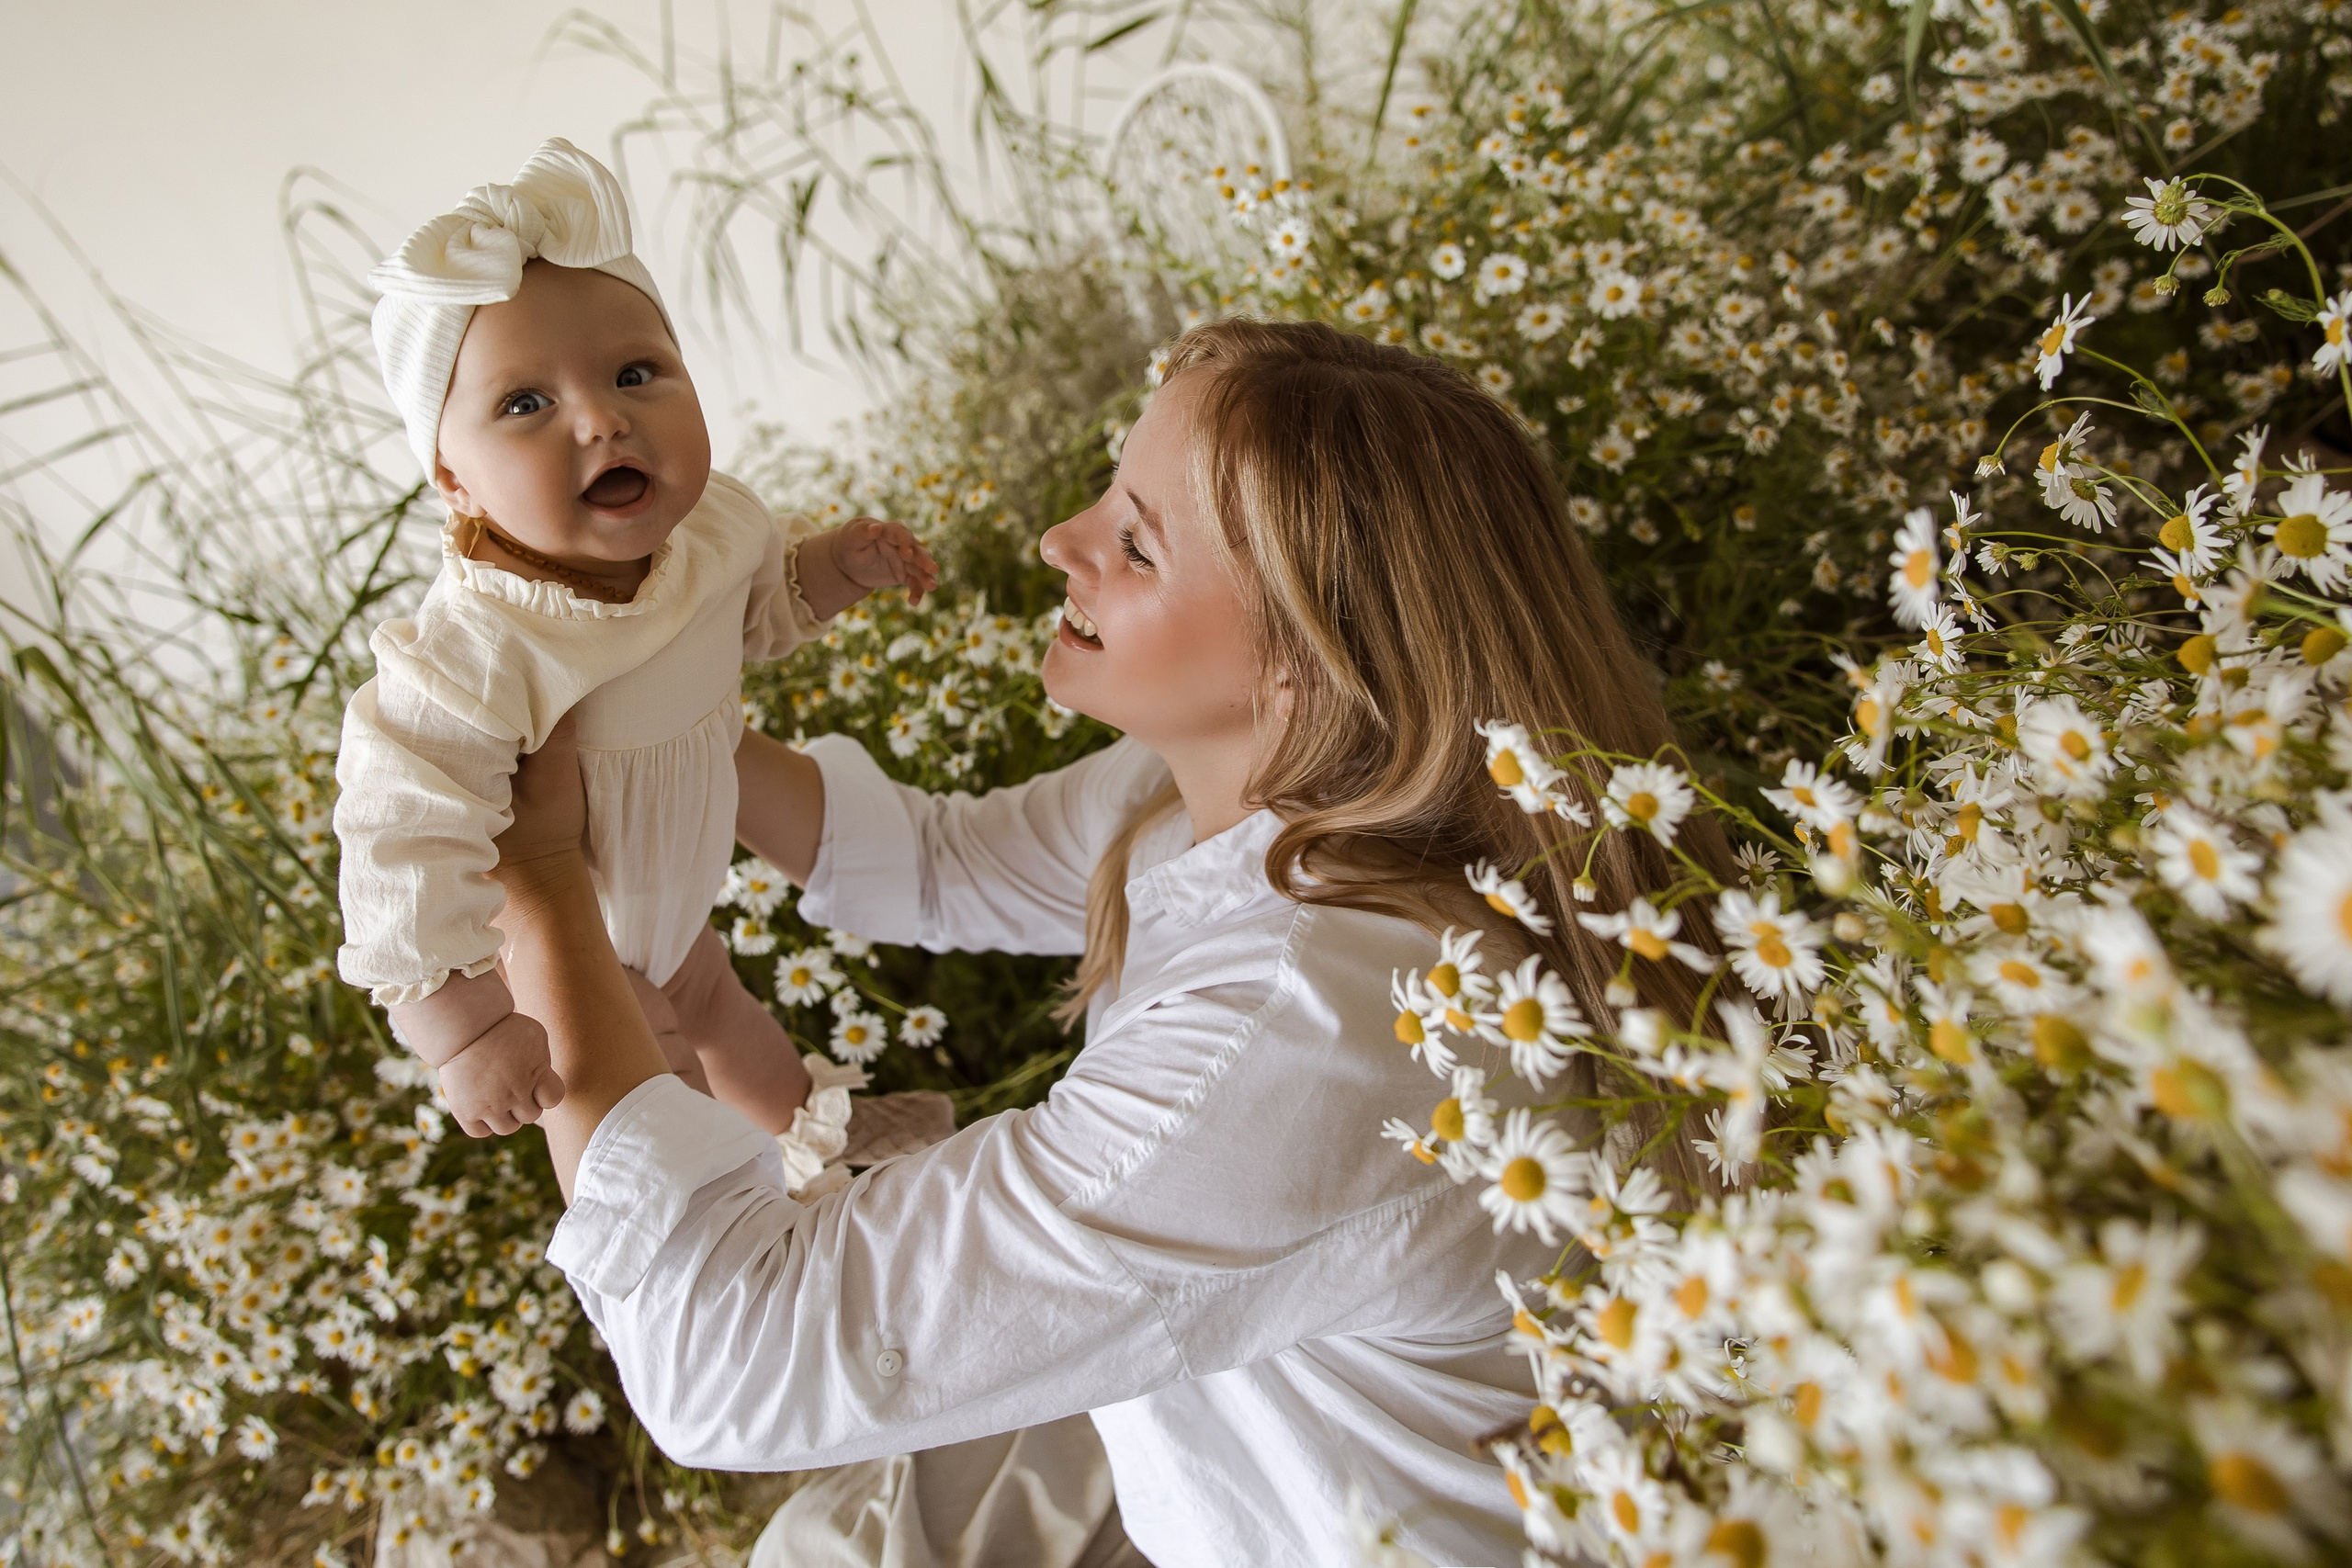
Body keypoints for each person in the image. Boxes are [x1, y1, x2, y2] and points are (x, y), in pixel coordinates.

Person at [495, 320, 1727, 1567]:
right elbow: (936, 860)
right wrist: (645, 714)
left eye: (1136, 543)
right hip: (1212, 1431)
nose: (1059, 541)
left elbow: (732, 1356)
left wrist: (539, 883)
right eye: (1107, 492)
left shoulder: (1315, 1027)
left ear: (1307, 662)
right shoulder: (1228, 785)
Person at [334, 139, 936, 1165]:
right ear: (454, 479)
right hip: (575, 958)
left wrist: (834, 566)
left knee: (728, 1015)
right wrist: (468, 1028)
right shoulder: (478, 649)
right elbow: (400, 834)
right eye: (526, 404)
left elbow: (759, 614)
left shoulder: (710, 537)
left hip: (669, 904)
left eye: (635, 373)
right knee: (664, 1096)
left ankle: (817, 1137)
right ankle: (718, 1246)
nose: (601, 418)